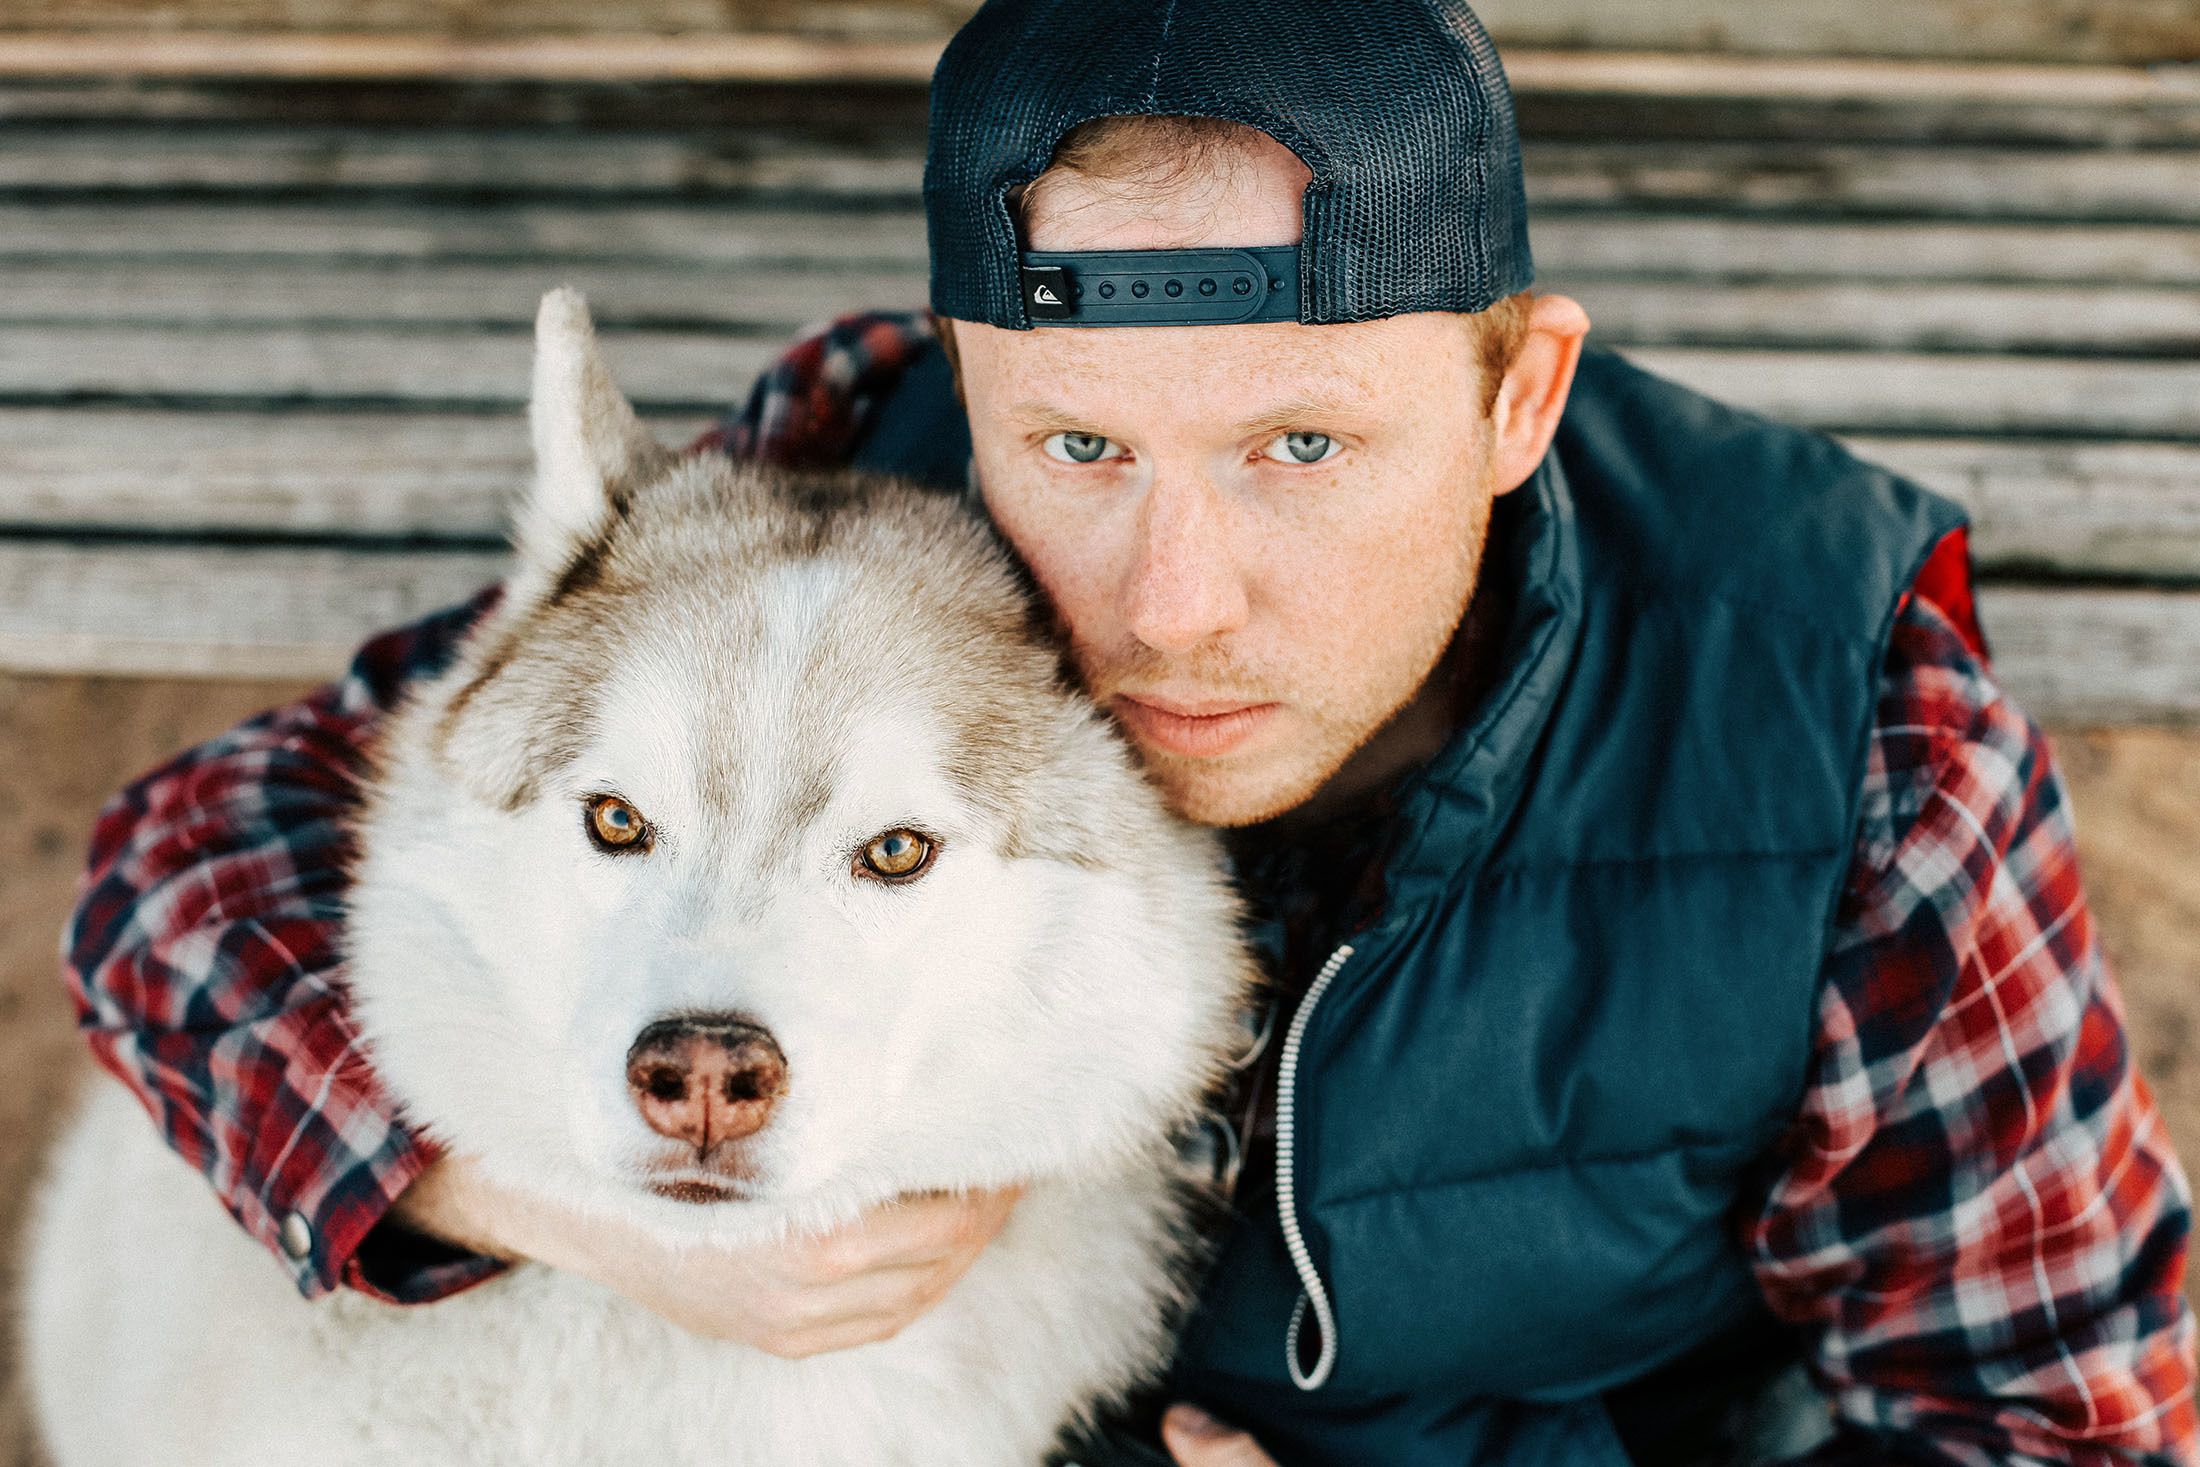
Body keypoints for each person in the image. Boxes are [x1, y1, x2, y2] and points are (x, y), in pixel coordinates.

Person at [59, 1, 2197, 1464]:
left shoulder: (1837, 735)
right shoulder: (860, 501)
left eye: (1299, 442)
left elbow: (2057, 1425)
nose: (1171, 598)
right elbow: (184, 865)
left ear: (1512, 396)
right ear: (962, 380)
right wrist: (520, 1197)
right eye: (1076, 438)